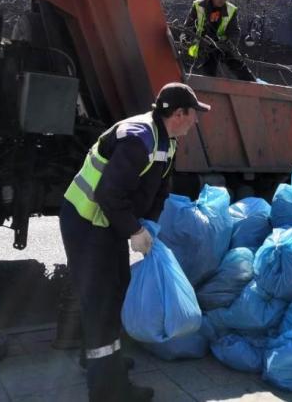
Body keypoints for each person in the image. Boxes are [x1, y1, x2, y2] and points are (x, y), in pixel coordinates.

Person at [60, 83, 210, 401]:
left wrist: (150, 225)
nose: (196, 121)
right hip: (88, 222)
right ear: (179, 114)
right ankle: (107, 389)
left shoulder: (165, 142)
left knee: (116, 289)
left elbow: (159, 189)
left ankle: (102, 360)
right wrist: (133, 231)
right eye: (194, 114)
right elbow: (107, 194)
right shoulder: (138, 139)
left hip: (106, 223)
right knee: (102, 301)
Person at [184, 0, 256, 82]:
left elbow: (234, 31)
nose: (222, 0)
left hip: (221, 46)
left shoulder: (231, 10)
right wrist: (186, 40)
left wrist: (229, 45)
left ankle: (253, 84)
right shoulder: (198, 5)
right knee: (210, 63)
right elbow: (188, 27)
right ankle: (210, 85)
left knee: (238, 64)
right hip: (201, 45)